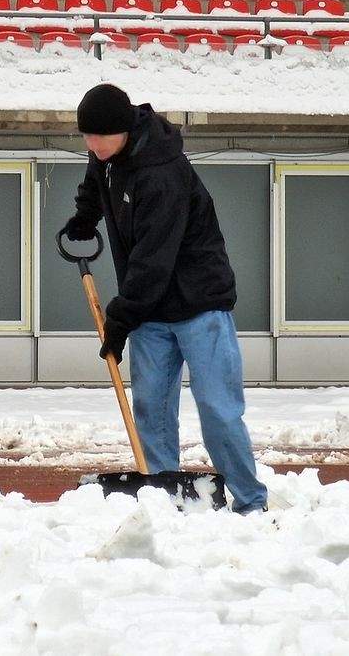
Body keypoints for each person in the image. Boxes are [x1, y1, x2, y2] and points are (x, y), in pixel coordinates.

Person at [65, 83, 268, 515]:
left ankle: (252, 504)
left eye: (95, 137)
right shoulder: (106, 152)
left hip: (200, 306)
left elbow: (153, 260)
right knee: (152, 411)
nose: (90, 144)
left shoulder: (163, 173)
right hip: (151, 311)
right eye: (85, 137)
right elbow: (95, 180)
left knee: (218, 410)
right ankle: (165, 500)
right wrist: (85, 218)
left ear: (121, 132)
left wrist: (119, 319)